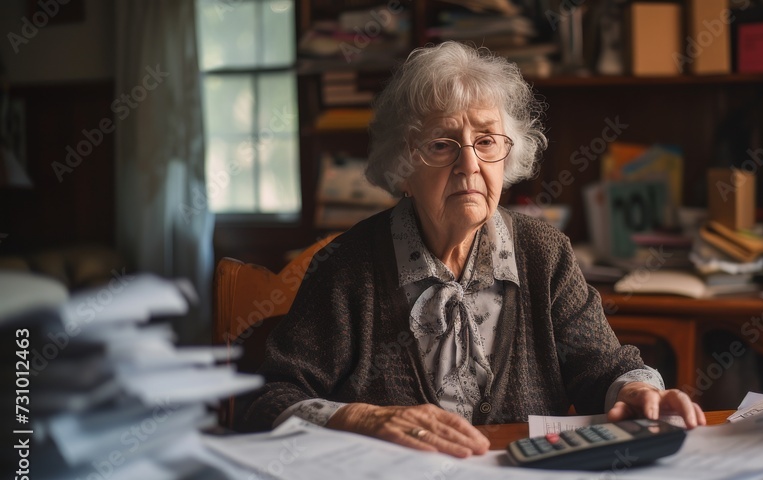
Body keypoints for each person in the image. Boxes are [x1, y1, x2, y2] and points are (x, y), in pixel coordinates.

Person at [238, 41, 705, 457]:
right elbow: (268, 400)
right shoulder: (346, 268)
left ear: (509, 154)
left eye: (486, 141)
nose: (469, 165)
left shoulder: (545, 254)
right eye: (442, 145)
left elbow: (602, 369)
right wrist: (361, 418)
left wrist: (638, 391)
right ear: (402, 167)